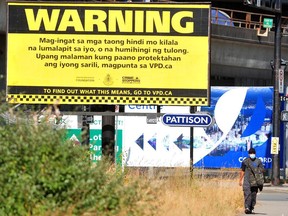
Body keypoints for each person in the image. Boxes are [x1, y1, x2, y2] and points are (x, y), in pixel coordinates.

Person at [239, 147, 264, 214]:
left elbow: (262, 170)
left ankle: (251, 207)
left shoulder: (258, 161)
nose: (252, 154)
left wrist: (258, 172)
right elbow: (242, 171)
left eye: (253, 153)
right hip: (247, 181)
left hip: (255, 182)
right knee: (247, 195)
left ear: (255, 153)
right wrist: (240, 180)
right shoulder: (245, 161)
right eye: (251, 153)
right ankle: (247, 208)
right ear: (249, 154)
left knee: (253, 195)